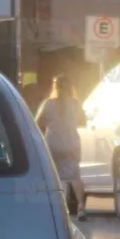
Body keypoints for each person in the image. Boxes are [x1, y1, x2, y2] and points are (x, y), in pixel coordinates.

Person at [35, 75, 88, 222]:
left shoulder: (48, 103)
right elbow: (83, 121)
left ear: (55, 86)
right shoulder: (76, 103)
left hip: (53, 143)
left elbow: (38, 122)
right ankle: (81, 207)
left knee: (54, 176)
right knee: (74, 177)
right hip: (71, 143)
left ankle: (59, 207)